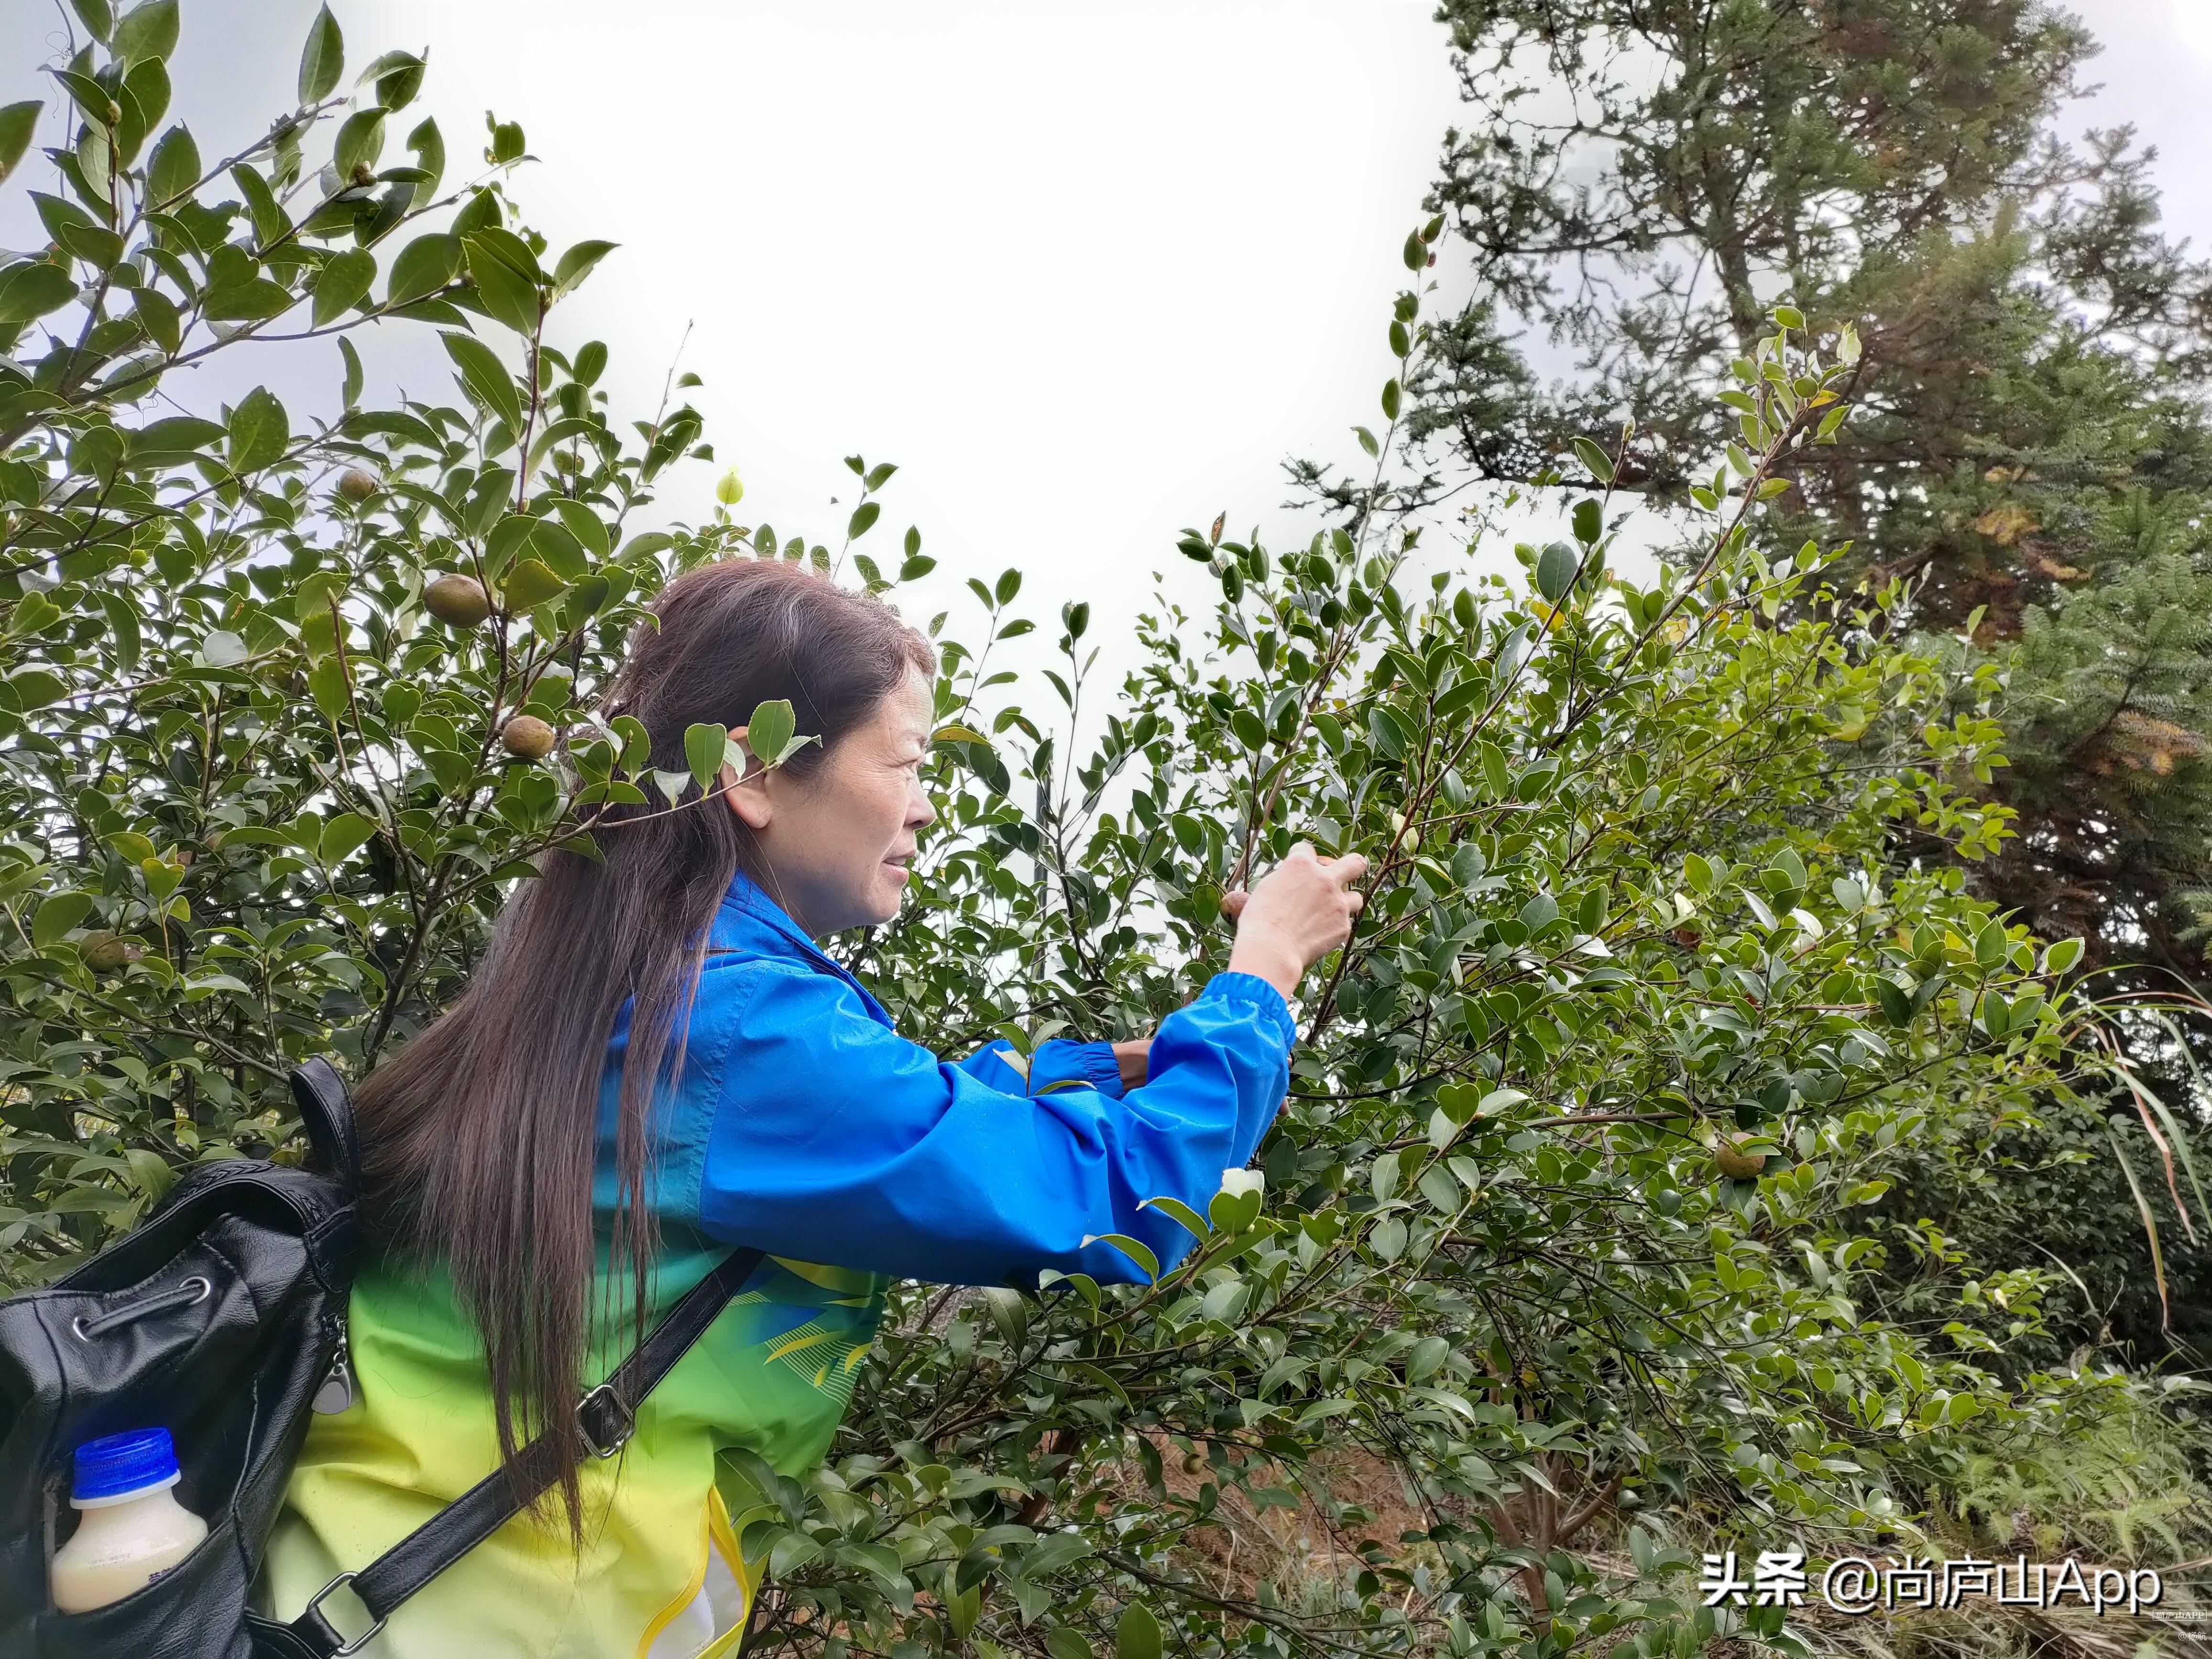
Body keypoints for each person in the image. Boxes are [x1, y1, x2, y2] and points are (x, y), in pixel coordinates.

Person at [257, 559, 1366, 1658]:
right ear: (749, 773)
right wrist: (1261, 974)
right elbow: (1110, 1198)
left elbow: (896, 1116)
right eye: (907, 761)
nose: (924, 807)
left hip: (366, 1590)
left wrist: (1119, 1063)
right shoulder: (738, 1028)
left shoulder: (634, 973)